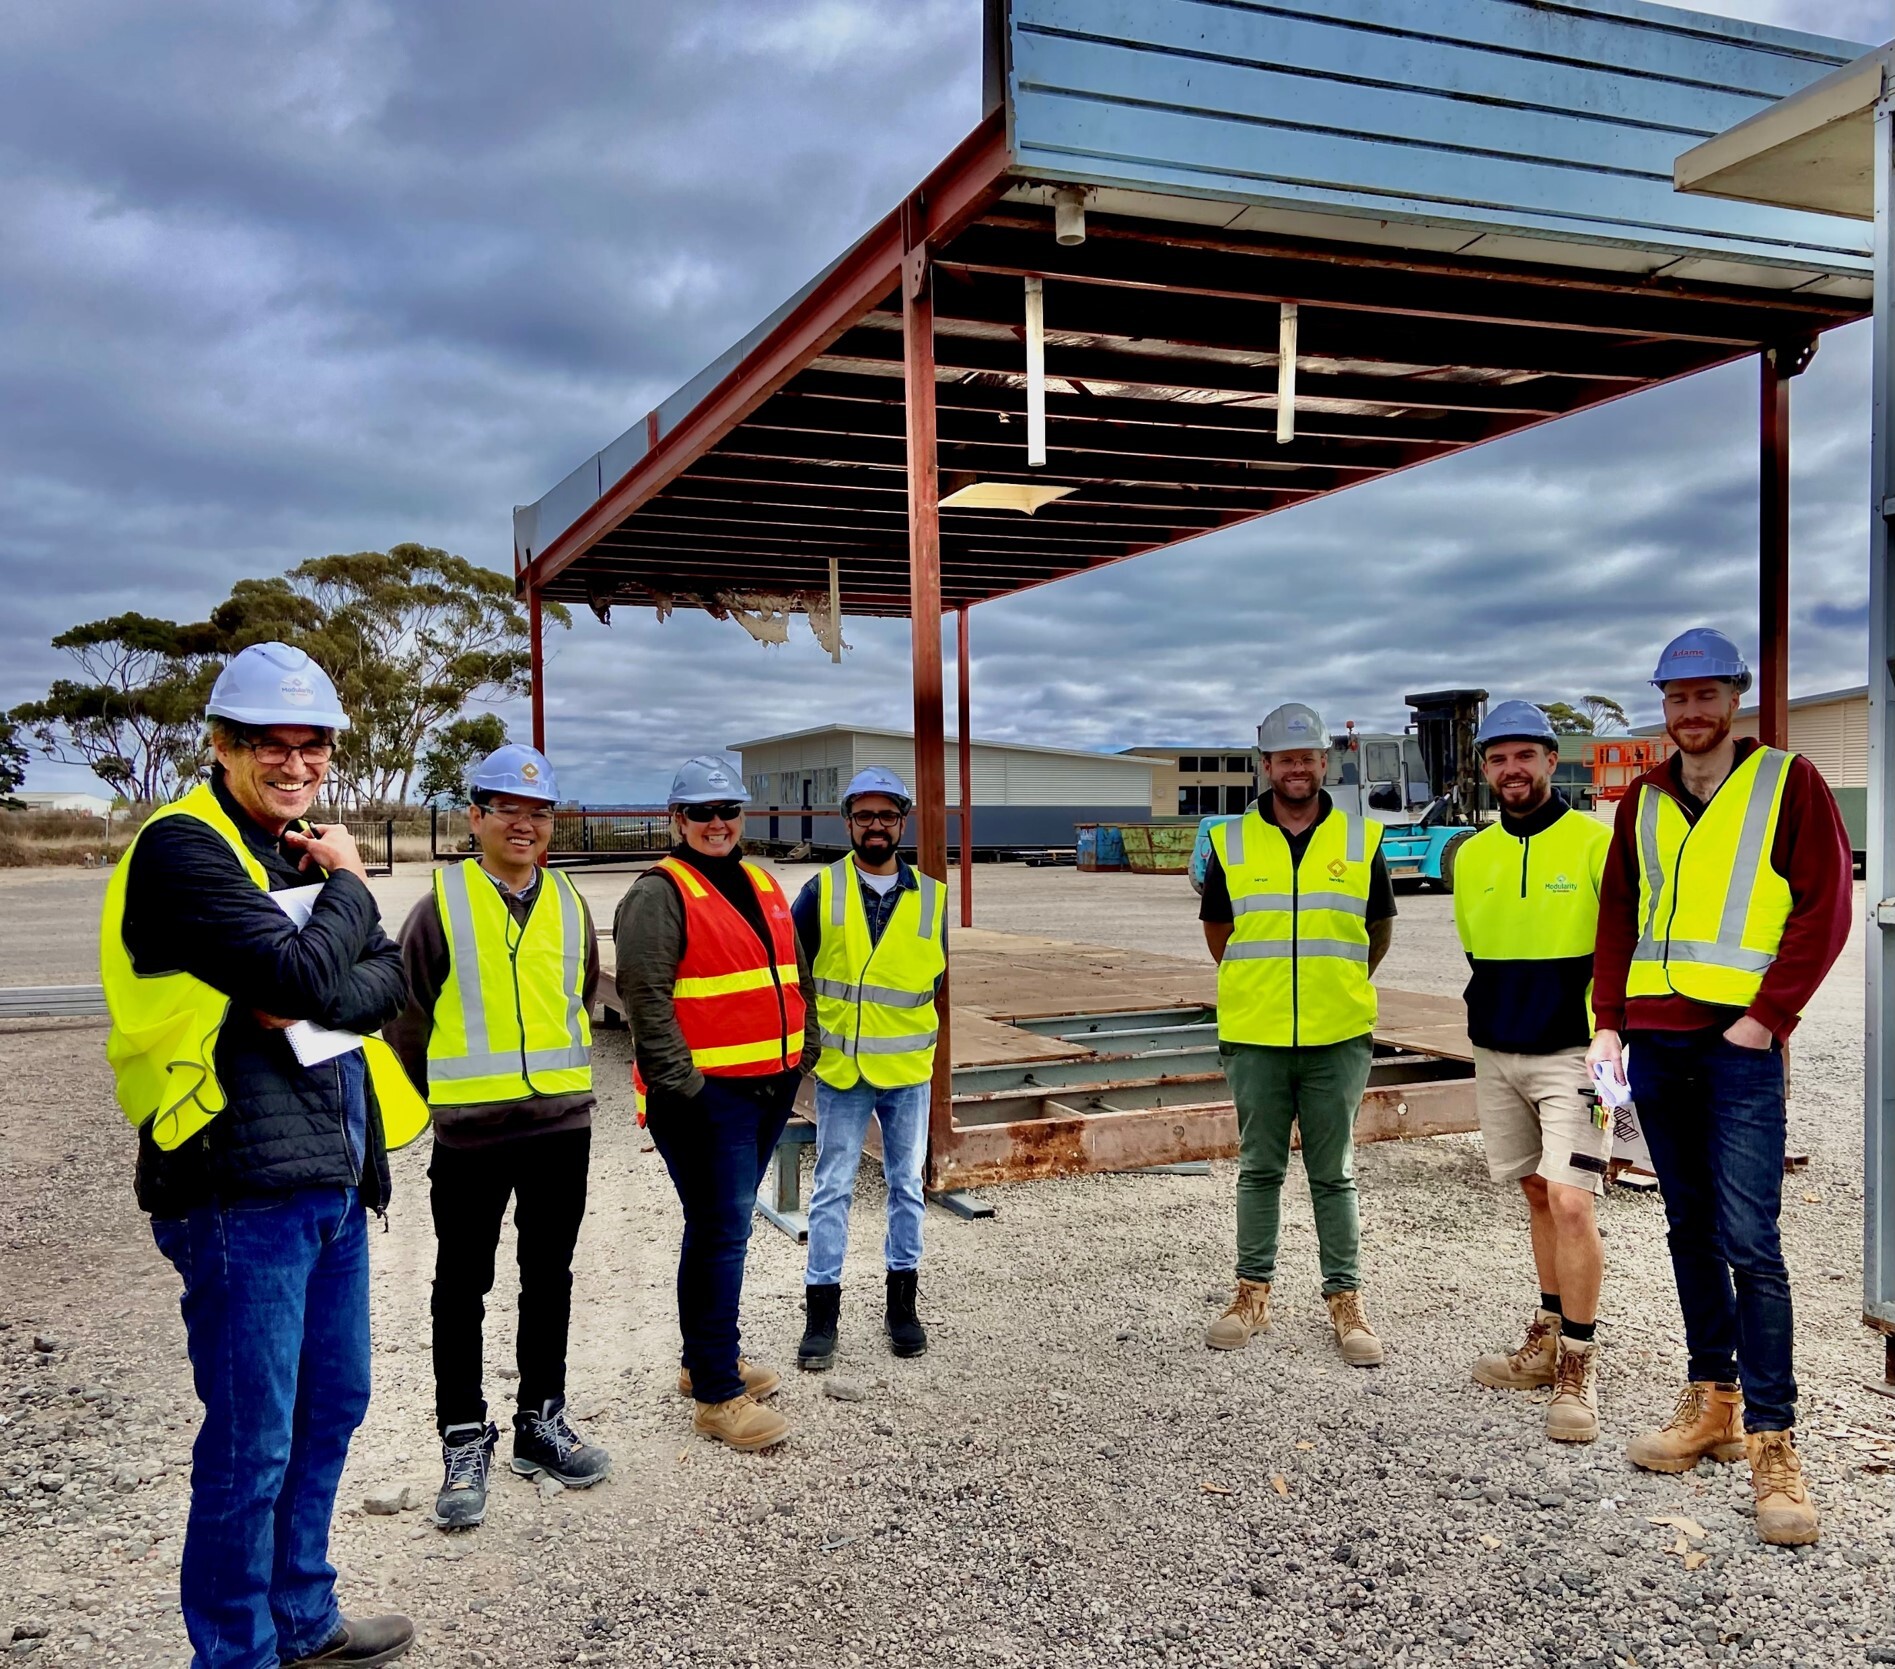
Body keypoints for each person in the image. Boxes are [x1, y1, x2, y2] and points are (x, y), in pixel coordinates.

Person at [99, 642, 427, 1669]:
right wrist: (354, 887)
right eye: (266, 744)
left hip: (328, 1177)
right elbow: (296, 977)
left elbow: (381, 988)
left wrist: (334, 954)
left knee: (332, 1407)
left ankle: (300, 1619)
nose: (293, 762)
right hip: (235, 1187)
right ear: (221, 744)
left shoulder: (287, 851)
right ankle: (235, 1653)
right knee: (252, 1444)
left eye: (311, 743)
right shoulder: (183, 848)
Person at [1589, 628, 1851, 1546]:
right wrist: (1610, 1016)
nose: (1690, 712)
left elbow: (1825, 907)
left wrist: (1765, 1016)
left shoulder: (1788, 782)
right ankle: (1713, 1400)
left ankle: (1774, 1440)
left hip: (1738, 1042)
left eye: (1707, 695)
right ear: (1662, 705)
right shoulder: (1642, 800)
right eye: (1675, 697)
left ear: (1733, 698)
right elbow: (1619, 908)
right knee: (1687, 1226)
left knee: (1752, 1239)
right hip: (1655, 1041)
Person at [387, 744, 607, 1531]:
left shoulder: (569, 903)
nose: (524, 822)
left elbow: (577, 995)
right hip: (472, 1136)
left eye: (539, 811)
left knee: (549, 1275)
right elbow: (405, 1017)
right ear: (474, 816)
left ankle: (539, 1421)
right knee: (461, 1284)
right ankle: (462, 1434)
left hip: (560, 1126)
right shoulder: (438, 906)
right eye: (506, 808)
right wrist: (448, 1098)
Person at [613, 756, 813, 1451]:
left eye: (727, 809)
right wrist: (684, 1088)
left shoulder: (759, 879)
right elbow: (644, 996)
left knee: (720, 1228)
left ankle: (707, 1361)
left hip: (767, 1083)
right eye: (700, 812)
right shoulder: (658, 893)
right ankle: (717, 1396)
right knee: (721, 1231)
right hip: (708, 1096)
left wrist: (804, 1045)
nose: (716, 822)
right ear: (677, 820)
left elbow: (791, 970)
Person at [1199, 703, 1396, 1366]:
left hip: (1336, 1033)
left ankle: (1345, 1301)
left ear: (1322, 763)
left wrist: (1330, 985)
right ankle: (1250, 1293)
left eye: (1306, 757)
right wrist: (1264, 988)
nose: (1296, 768)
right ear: (1266, 766)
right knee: (1259, 1168)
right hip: (1255, 1034)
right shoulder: (1229, 842)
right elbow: (1218, 935)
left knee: (1332, 1172)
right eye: (1284, 758)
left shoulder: (1359, 841)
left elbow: (1378, 932)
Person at [1454, 702, 1613, 1443]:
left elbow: (1624, 942)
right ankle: (1548, 1330)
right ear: (1483, 768)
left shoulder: (1593, 842)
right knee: (1534, 1192)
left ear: (1552, 761)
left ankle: (1576, 1362)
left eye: (1525, 754)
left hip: (1573, 1051)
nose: (1511, 769)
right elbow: (1475, 948)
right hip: (1496, 1047)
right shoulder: (1472, 855)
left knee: (1572, 1198)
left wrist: (1614, 1038)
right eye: (1497, 758)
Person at [789, 766, 946, 1370]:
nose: (875, 826)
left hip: (907, 1071)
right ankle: (821, 1317)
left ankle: (901, 1309)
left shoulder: (931, 896)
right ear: (848, 822)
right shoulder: (819, 892)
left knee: (906, 1187)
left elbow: (934, 979)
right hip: (841, 1070)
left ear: (901, 822)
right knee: (832, 1190)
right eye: (864, 816)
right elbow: (795, 971)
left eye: (886, 816)